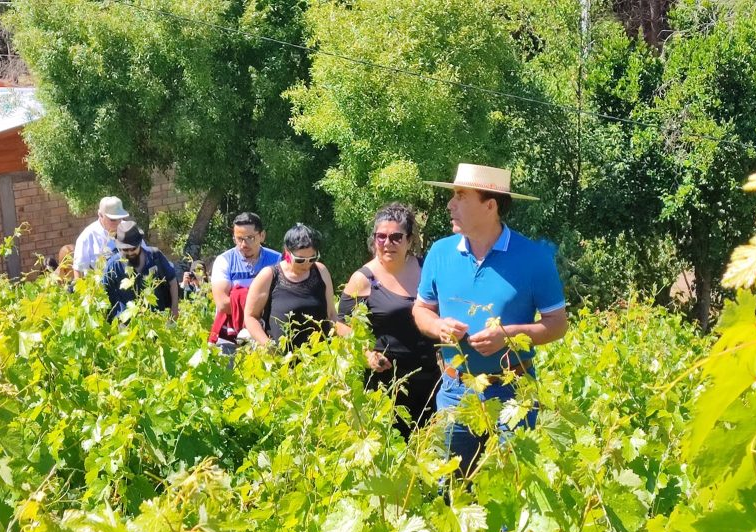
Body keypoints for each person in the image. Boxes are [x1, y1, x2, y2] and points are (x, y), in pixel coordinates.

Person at [413, 163, 568, 476]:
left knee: (513, 485)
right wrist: (438, 326)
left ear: (490, 205)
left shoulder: (534, 258)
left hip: (515, 392)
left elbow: (557, 323)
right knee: (452, 487)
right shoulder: (440, 253)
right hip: (455, 391)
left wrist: (509, 335)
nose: (449, 204)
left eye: (460, 196)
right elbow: (421, 310)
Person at [339, 203, 440, 439]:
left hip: (431, 378)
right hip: (387, 382)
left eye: (396, 237)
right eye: (381, 237)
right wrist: (366, 355)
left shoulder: (427, 269)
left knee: (430, 450)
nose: (387, 243)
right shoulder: (364, 279)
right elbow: (340, 323)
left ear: (410, 239)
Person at [243, 223, 347, 349]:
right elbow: (250, 316)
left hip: (319, 359)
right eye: (300, 260)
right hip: (281, 359)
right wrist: (268, 345)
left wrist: (348, 339)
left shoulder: (321, 271)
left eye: (312, 258)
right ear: (287, 253)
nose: (306, 264)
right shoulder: (269, 275)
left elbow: (331, 315)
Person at [208, 213, 282, 348]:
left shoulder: (277, 260)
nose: (243, 244)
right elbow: (223, 303)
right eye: (239, 239)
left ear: (262, 236)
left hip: (268, 334)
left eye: (250, 238)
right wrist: (257, 310)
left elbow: (283, 298)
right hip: (230, 337)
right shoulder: (224, 261)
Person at [102, 220, 178, 322]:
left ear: (139, 244)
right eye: (125, 250)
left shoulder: (155, 256)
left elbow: (172, 280)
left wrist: (174, 308)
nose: (130, 252)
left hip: (157, 321)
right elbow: (104, 293)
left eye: (133, 249)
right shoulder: (113, 266)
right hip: (127, 328)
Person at [73, 196, 132, 279]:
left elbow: (145, 256)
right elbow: (78, 270)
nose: (118, 222)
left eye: (120, 218)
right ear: (100, 215)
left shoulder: (130, 230)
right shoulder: (87, 237)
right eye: (112, 219)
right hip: (100, 288)